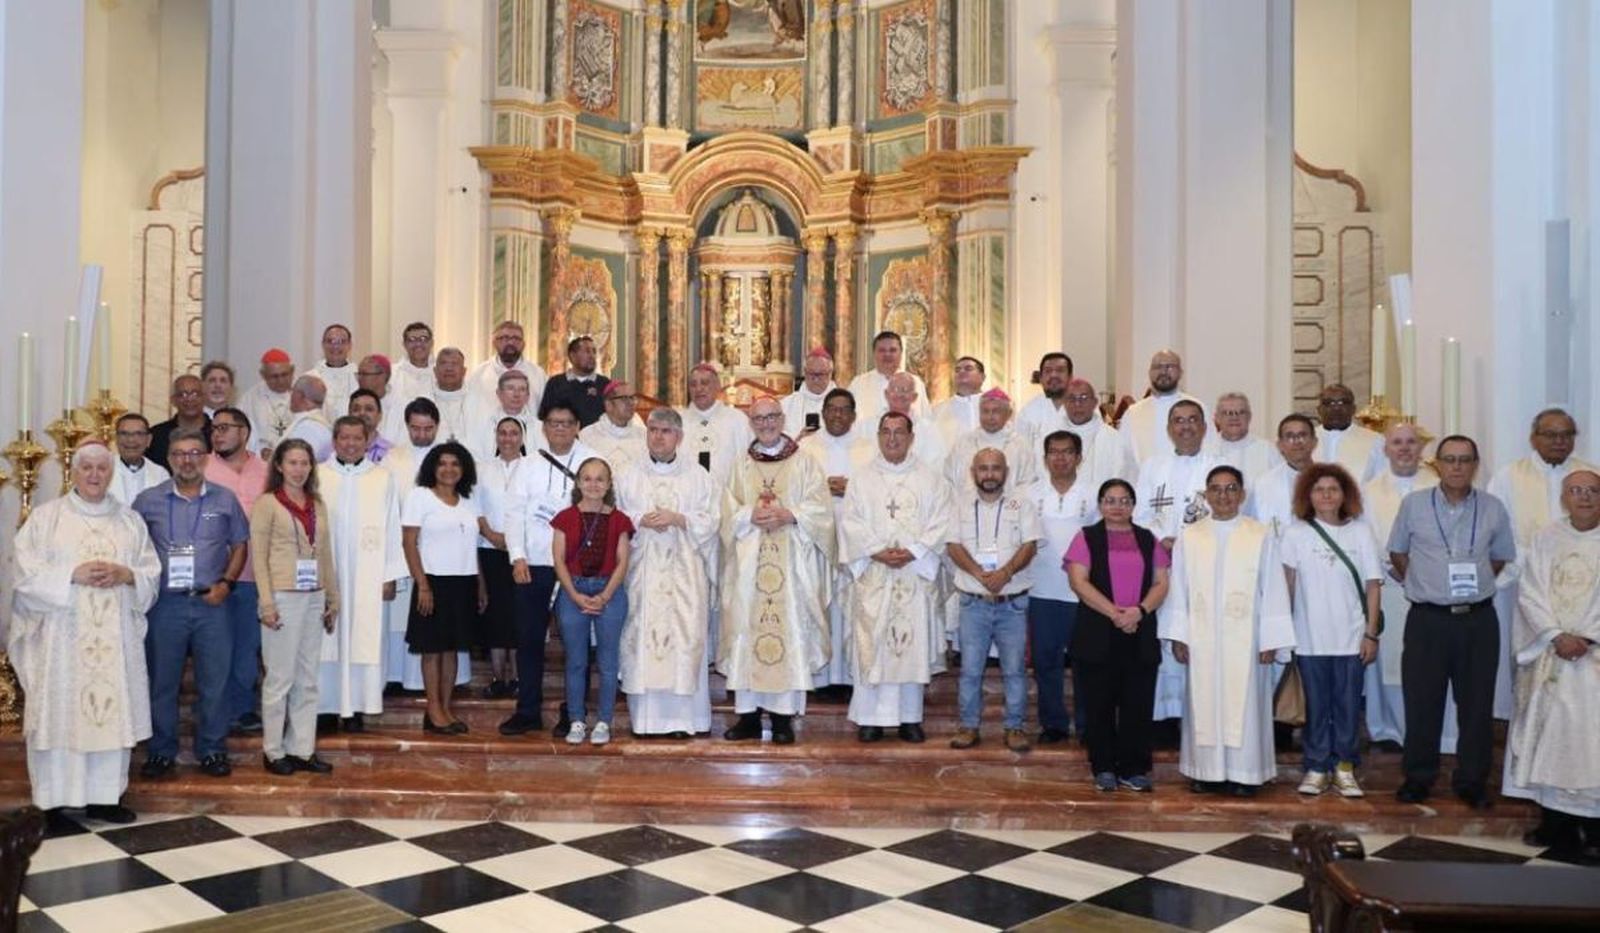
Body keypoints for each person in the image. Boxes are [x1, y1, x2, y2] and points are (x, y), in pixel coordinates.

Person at [10, 442, 161, 825]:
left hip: (114, 638)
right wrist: (70, 576)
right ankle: (54, 804)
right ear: (73, 472)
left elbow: (150, 572)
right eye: (87, 467)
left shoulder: (129, 521)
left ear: (110, 473)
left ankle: (104, 799)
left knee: (110, 713)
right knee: (61, 716)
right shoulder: (47, 519)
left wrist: (127, 575)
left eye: (102, 468)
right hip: (62, 640)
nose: (95, 475)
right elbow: (24, 576)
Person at [1388, 435, 1516, 808]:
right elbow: (1398, 552)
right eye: (1450, 459)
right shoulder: (1414, 505)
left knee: (1476, 705)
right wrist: (1425, 584)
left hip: (1478, 621)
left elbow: (1500, 556)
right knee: (1422, 701)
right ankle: (1418, 777)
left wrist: (1470, 588)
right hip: (1428, 620)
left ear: (1475, 465)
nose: (1457, 467)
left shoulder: (1493, 507)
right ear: (1437, 464)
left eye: (1465, 460)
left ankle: (1472, 780)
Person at [1162, 466, 1293, 796]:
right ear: (1206, 495)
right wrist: (1179, 634)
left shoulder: (1259, 534)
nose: (1223, 495)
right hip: (1202, 637)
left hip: (1246, 639)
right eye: (1216, 489)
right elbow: (1179, 587)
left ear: (1242, 494)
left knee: (1245, 704)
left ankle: (1245, 774)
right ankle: (1205, 772)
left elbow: (1274, 588)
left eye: (1231, 488)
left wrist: (1271, 639)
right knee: (1203, 700)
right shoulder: (1190, 536)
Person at [132, 429, 250, 779]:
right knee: (162, 682)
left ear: (206, 458)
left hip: (212, 603)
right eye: (180, 453)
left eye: (195, 453)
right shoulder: (147, 501)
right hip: (165, 605)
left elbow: (240, 544)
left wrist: (227, 584)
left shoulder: (225, 499)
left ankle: (212, 750)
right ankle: (161, 751)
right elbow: (131, 547)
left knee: (215, 682)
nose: (187, 460)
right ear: (169, 459)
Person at [720, 396, 834, 744]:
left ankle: (783, 719)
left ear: (783, 420)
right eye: (759, 418)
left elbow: (822, 510)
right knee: (746, 629)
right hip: (750, 566)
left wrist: (791, 514)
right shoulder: (740, 466)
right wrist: (748, 515)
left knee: (790, 630)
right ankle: (748, 717)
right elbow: (727, 511)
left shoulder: (805, 463)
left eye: (772, 417)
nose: (766, 424)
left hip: (791, 563)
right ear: (751, 423)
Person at [839, 412, 954, 743]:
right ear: (878, 436)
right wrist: (876, 551)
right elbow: (850, 522)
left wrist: (914, 551)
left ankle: (909, 718)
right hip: (875, 575)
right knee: (872, 646)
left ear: (911, 437)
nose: (892, 439)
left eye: (899, 432)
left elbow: (942, 521)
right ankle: (869, 719)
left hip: (913, 575)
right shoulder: (862, 479)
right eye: (886, 432)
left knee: (910, 648)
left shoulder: (931, 479)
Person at [1505, 470, 1600, 860]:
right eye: (1576, 491)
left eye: (1592, 491)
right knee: (1548, 736)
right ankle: (1555, 824)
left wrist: (1588, 636)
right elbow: (1530, 592)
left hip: (1593, 658)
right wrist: (1555, 635)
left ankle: (1595, 830)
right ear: (1564, 498)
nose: (1584, 497)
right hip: (1552, 655)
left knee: (1591, 742)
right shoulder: (1546, 538)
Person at [616, 408, 719, 737]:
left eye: (666, 431)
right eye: (653, 430)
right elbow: (616, 515)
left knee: (684, 638)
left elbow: (712, 520)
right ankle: (646, 722)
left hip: (684, 572)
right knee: (642, 640)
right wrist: (639, 519)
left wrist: (679, 519)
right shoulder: (628, 474)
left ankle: (683, 721)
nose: (658, 437)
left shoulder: (698, 476)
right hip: (643, 570)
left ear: (679, 437)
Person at [1487, 407, 1595, 720]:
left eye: (1567, 435)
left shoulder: (1589, 475)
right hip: (1522, 580)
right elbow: (1496, 529)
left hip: (1583, 586)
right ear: (1534, 438)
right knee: (1529, 661)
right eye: (1551, 435)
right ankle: (1520, 717)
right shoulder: (1509, 476)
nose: (1559, 441)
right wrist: (1530, 560)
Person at [1280, 463, 1382, 797]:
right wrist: (1284, 633)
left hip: (1351, 638)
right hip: (1309, 637)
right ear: (1307, 495)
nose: (1326, 495)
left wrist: (1370, 634)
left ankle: (1345, 767)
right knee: (1316, 708)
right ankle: (1316, 767)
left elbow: (1373, 586)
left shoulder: (1361, 532)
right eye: (1319, 489)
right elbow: (1288, 585)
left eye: (1333, 489)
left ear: (1344, 494)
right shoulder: (1295, 533)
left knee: (1348, 707)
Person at [501, 403, 600, 736]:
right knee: (529, 639)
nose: (560, 429)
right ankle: (527, 710)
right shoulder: (527, 465)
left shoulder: (593, 461)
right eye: (554, 423)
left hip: (577, 566)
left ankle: (573, 712)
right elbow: (514, 513)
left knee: (576, 643)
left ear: (577, 426)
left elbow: (602, 509)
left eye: (567, 423)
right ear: (543, 427)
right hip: (534, 564)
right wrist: (517, 556)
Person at [1067, 479, 1171, 791]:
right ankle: (1103, 768)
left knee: (1137, 703)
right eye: (1110, 500)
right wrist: (1116, 614)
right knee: (1098, 703)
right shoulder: (1086, 537)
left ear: (1133, 506)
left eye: (1124, 500)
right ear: (1100, 505)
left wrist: (1139, 611)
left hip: (1139, 630)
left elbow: (1161, 582)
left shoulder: (1147, 538)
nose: (1117, 506)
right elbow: (1079, 582)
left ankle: (1133, 768)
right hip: (1097, 631)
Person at [251, 439, 339, 776]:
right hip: (283, 596)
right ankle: (273, 750)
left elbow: (325, 553)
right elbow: (258, 557)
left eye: (304, 463)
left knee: (307, 678)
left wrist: (333, 598)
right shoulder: (267, 503)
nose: (299, 470)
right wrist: (266, 602)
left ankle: (302, 748)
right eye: (292, 463)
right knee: (280, 678)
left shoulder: (317, 503)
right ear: (279, 466)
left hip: (314, 594)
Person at [947, 448, 1041, 752]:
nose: (989, 474)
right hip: (973, 602)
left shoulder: (1022, 504)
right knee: (970, 670)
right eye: (983, 468)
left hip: (1012, 604)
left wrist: (1006, 573)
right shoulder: (960, 504)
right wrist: (979, 573)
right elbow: (953, 546)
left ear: (1006, 472)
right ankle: (968, 726)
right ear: (973, 472)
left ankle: (1015, 727)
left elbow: (1030, 545)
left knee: (1014, 670)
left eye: (996, 468)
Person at [1360, 422, 1444, 749]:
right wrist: (1392, 567)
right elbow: (1366, 539)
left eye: (1411, 442)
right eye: (1397, 443)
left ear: (1421, 447)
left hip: (1433, 589)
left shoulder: (1438, 486)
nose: (1405, 448)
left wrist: (1422, 571)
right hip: (1390, 587)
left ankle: (1431, 731)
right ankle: (1390, 730)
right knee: (1391, 663)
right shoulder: (1369, 491)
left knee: (1431, 662)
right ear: (1386, 449)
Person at [319, 416, 404, 732]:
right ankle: (325, 707)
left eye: (357, 438)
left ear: (368, 441)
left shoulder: (381, 477)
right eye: (344, 438)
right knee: (326, 639)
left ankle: (354, 707)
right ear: (335, 440)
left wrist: (389, 575)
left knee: (363, 637)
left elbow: (393, 526)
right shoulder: (318, 476)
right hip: (328, 572)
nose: (351, 444)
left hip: (367, 574)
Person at [551, 458, 635, 744]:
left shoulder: (620, 520)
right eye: (587, 478)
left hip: (609, 591)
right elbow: (559, 560)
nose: (593, 484)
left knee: (608, 662)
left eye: (600, 479)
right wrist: (575, 595)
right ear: (578, 482)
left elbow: (622, 562)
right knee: (576, 661)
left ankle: (603, 722)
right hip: (572, 589)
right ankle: (576, 720)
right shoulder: (564, 518)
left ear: (609, 484)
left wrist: (605, 596)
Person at [401, 441, 483, 734]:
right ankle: (433, 709)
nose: (449, 469)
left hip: (464, 581)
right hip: (433, 581)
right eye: (443, 463)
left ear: (464, 469)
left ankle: (445, 709)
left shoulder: (469, 501)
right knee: (432, 649)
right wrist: (422, 585)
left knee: (452, 650)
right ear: (432, 468)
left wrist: (481, 585)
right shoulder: (420, 496)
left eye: (455, 464)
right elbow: (409, 543)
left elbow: (472, 546)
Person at [1022, 430, 1098, 743]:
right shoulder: (1029, 495)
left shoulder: (1093, 493)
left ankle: (1087, 725)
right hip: (1041, 591)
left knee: (1085, 662)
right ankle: (1053, 723)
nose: (1060, 458)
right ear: (1045, 458)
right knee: (1046, 661)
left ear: (1079, 457)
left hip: (1083, 593)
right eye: (1054, 452)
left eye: (1067, 452)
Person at [799, 387, 872, 693]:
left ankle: (850, 676)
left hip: (857, 541)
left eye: (844, 410)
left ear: (854, 415)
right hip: (818, 540)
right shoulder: (806, 448)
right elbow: (795, 490)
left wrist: (851, 488)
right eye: (832, 409)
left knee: (852, 606)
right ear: (823, 412)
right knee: (821, 603)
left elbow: (877, 488)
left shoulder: (869, 448)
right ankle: (821, 676)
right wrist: (822, 489)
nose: (838, 415)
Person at [203, 407, 271, 737]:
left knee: (246, 648)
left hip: (255, 574)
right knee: (214, 648)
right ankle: (213, 710)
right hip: (213, 575)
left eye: (224, 428)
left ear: (244, 432)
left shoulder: (267, 470)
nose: (217, 434)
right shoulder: (202, 467)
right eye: (214, 429)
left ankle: (242, 709)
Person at [475, 416, 527, 698]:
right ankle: (497, 678)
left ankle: (518, 678)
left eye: (514, 433)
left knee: (519, 616)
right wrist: (491, 534)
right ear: (496, 437)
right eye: (503, 433)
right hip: (489, 549)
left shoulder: (531, 468)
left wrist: (516, 542)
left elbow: (535, 509)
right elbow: (474, 507)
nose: (508, 438)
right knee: (495, 617)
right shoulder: (482, 469)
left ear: (522, 438)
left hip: (523, 554)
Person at [1133, 399, 1219, 547]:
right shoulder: (1151, 467)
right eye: (1179, 421)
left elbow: (1226, 514)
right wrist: (1161, 539)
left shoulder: (1219, 467)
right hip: (1159, 551)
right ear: (1169, 429)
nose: (1186, 426)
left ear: (1204, 427)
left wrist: (1194, 542)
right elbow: (1140, 516)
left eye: (1192, 420)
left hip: (1205, 549)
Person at [1040, 378, 1135, 493]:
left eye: (1084, 398)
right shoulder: (1049, 436)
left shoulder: (1114, 439)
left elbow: (1125, 480)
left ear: (1094, 402)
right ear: (1064, 403)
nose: (1077, 404)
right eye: (1071, 398)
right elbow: (1040, 477)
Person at [1119, 350, 1205, 464]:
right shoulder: (1133, 413)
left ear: (1180, 372)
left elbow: (1210, 449)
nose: (1163, 372)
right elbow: (1123, 457)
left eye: (1169, 367)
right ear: (1150, 373)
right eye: (1157, 367)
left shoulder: (1197, 408)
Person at [945, 388, 1036, 494]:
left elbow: (1028, 484)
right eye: (985, 411)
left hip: (1009, 504)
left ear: (1008, 414)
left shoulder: (1020, 446)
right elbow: (949, 480)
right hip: (967, 503)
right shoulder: (963, 443)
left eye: (996, 411)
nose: (990, 417)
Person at [682, 362, 753, 487]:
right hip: (687, 494)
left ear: (718, 386)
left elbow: (750, 462)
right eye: (693, 384)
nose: (698, 389)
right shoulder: (677, 421)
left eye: (704, 383)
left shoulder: (737, 420)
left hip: (727, 495)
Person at [1247, 414, 1316, 540]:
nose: (1297, 441)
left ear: (1314, 442)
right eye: (1290, 436)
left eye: (1303, 435)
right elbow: (1253, 526)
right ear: (1280, 445)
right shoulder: (1263, 483)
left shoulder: (1331, 479)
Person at [467, 320, 547, 419]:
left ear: (523, 344)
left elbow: (545, 412)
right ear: (494, 343)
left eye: (516, 338)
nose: (510, 342)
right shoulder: (479, 375)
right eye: (504, 338)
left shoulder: (538, 374)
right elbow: (471, 411)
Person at [848, 331, 931, 423]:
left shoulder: (916, 383)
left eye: (892, 350)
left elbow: (926, 419)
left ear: (901, 353)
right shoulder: (858, 384)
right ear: (874, 353)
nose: (887, 355)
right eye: (882, 350)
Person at [1205, 392, 1281, 490]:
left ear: (1249, 417)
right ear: (1217, 418)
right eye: (1227, 413)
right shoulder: (1205, 448)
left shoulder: (1268, 450)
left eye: (1241, 412)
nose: (1234, 418)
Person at [1314, 384, 1385, 483]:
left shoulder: (1375, 441)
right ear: (1319, 410)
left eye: (1343, 402)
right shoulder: (1307, 439)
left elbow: (1383, 481)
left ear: (1353, 409)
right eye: (1329, 403)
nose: (1336, 408)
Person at [464, 370, 537, 465]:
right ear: (499, 393)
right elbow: (475, 460)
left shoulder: (541, 429)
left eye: (522, 389)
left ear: (528, 396)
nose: (516, 394)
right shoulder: (482, 426)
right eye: (510, 388)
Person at [540, 335, 611, 426]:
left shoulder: (605, 384)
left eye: (594, 351)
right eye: (587, 351)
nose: (592, 356)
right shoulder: (555, 383)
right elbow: (545, 417)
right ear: (572, 356)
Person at [148, 374, 213, 470]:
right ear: (173, 400)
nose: (189, 399)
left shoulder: (217, 433)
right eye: (183, 394)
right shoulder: (157, 435)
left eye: (195, 394)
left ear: (204, 397)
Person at [579, 381, 647, 472]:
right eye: (624, 398)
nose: (631, 403)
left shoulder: (644, 435)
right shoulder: (587, 435)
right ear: (608, 404)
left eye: (632, 398)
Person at [239, 348, 296, 456]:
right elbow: (242, 434)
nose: (280, 381)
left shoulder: (303, 393)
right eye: (274, 376)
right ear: (263, 375)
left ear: (292, 371)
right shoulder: (250, 400)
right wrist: (259, 451)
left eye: (284, 375)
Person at [884, 371, 946, 470]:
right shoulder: (868, 427)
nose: (899, 394)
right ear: (886, 394)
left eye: (905, 390)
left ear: (914, 397)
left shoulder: (929, 430)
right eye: (895, 389)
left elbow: (936, 465)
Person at [110, 413, 170, 505]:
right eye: (124, 433)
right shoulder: (102, 470)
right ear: (116, 438)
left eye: (138, 434)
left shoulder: (160, 474)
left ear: (149, 440)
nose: (130, 440)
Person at [1016, 352, 1075, 442]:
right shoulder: (1028, 412)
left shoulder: (1085, 408)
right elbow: (1020, 448)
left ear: (1070, 377)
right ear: (1041, 378)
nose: (1053, 375)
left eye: (1060, 370)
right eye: (1048, 371)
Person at [780, 347, 838, 437]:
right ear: (805, 372)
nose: (816, 379)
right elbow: (778, 440)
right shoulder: (786, 405)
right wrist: (799, 439)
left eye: (821, 374)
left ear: (830, 374)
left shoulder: (843, 404)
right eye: (811, 374)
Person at [931, 355, 987, 447]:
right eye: (957, 370)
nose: (961, 372)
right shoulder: (938, 411)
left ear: (982, 377)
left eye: (968, 369)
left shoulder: (998, 407)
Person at [305, 323, 358, 420]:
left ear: (350, 345)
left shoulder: (359, 377)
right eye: (330, 341)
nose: (336, 346)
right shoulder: (309, 378)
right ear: (323, 344)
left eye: (341, 341)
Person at [354, 354, 407, 446]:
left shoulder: (400, 407)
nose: (359, 379)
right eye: (358, 374)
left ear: (382, 376)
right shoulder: (353, 403)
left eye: (364, 374)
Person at [283, 374, 333, 462]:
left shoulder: (307, 427)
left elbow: (296, 462)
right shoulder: (318, 424)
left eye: (292, 392)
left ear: (299, 395)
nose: (290, 396)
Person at [431, 347, 471, 441]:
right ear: (435, 371)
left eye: (454, 363)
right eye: (443, 363)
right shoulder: (426, 399)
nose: (449, 368)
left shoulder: (477, 401)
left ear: (464, 371)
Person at [393, 321, 437, 405]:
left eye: (423, 339)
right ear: (404, 344)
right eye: (412, 339)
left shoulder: (441, 374)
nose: (418, 344)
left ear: (431, 343)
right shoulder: (393, 374)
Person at [348, 388, 393, 463]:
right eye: (356, 409)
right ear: (349, 414)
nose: (362, 413)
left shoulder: (391, 452)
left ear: (380, 415)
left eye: (369, 409)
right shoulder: (335, 449)